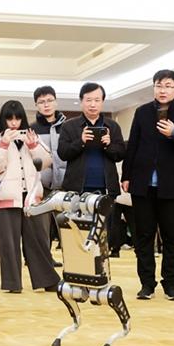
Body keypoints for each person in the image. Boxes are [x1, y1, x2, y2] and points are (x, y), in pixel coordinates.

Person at [122, 70, 174, 301]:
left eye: (168, 86)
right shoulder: (142, 111)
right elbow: (133, 145)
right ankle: (147, 284)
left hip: (171, 184)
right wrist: (126, 175)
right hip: (142, 183)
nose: (162, 90)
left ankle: (170, 284)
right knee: (144, 236)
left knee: (171, 236)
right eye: (158, 85)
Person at [0, 100, 59, 293]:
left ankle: (47, 280)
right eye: (10, 119)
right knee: (9, 243)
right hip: (6, 198)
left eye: (17, 119)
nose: (14, 123)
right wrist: (3, 143)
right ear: (4, 120)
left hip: (31, 197)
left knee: (38, 240)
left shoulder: (32, 136)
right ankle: (12, 283)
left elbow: (47, 161)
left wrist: (33, 145)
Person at [57, 82, 126, 254]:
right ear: (81, 101)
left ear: (102, 102)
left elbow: (120, 154)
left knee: (103, 235)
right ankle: (79, 266)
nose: (93, 104)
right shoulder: (70, 126)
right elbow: (63, 153)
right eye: (88, 100)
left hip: (106, 189)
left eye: (97, 100)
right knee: (78, 234)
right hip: (77, 189)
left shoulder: (112, 126)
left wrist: (109, 145)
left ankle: (100, 267)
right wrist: (80, 141)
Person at [30, 85, 67, 258]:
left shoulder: (68, 128)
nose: (46, 105)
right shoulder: (32, 129)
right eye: (41, 102)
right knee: (41, 229)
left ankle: (73, 264)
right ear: (36, 105)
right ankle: (45, 264)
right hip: (42, 185)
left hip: (65, 185)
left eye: (49, 100)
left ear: (56, 102)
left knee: (67, 228)